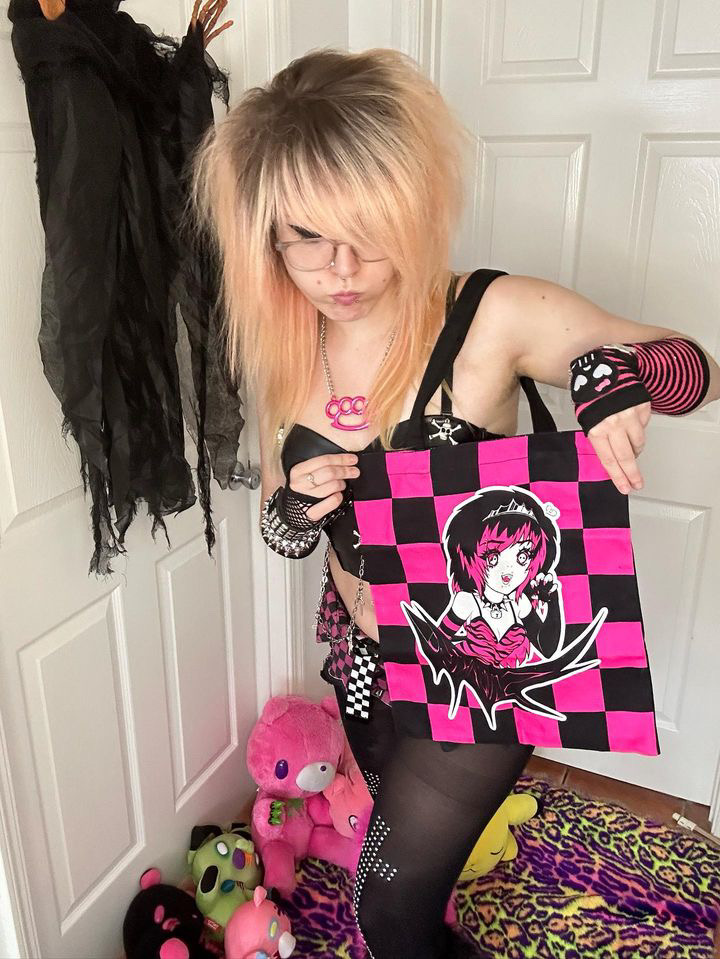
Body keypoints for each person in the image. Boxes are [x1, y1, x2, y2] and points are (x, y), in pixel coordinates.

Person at [188, 46, 720, 959]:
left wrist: (611, 376)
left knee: (384, 906)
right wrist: (296, 511)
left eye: (366, 229)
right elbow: (282, 520)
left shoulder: (489, 314)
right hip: (362, 651)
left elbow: (695, 368)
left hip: (477, 668)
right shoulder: (288, 338)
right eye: (306, 237)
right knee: (403, 866)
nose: (339, 267)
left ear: (411, 205)